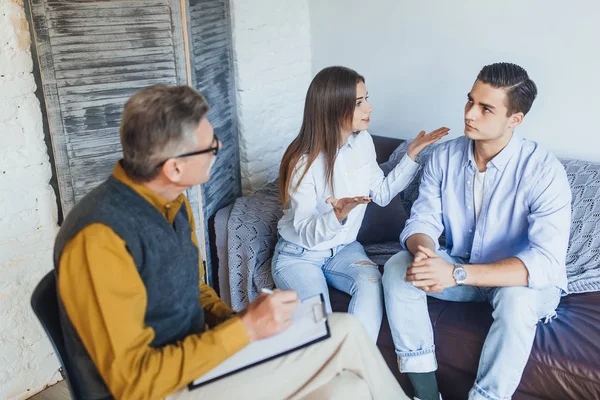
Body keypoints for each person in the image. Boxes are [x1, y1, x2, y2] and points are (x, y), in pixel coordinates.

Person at [54, 84, 409, 399]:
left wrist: (242, 322)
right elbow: (133, 384)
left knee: (351, 389)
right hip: (161, 388)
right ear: (174, 168)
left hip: (198, 360)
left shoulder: (172, 203)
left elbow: (191, 289)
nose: (217, 148)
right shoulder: (99, 239)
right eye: (209, 147)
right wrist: (244, 331)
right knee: (344, 331)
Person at [382, 62, 572, 400]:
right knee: (399, 267)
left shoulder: (544, 171)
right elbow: (423, 219)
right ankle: (425, 393)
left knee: (517, 300)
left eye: (486, 108)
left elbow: (544, 261)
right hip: (461, 269)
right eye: (470, 101)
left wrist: (455, 273)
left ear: (515, 119)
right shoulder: (444, 156)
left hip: (515, 281)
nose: (470, 114)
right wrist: (425, 253)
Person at [273, 66, 449, 342]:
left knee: (370, 286)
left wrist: (412, 155)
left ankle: (356, 367)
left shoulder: (362, 141)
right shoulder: (302, 162)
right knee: (321, 327)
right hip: (300, 254)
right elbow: (307, 231)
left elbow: (381, 193)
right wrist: (337, 216)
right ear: (333, 107)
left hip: (344, 249)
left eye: (366, 98)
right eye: (359, 102)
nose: (369, 107)